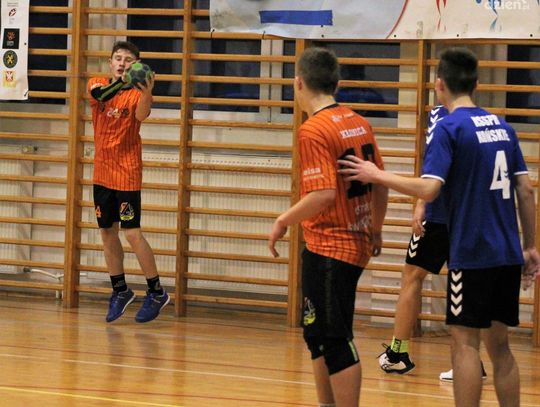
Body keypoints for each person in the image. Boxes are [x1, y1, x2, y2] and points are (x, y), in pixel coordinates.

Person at [338, 47, 540, 407]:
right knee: (501, 349)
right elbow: (526, 190)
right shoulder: (503, 127)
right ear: (476, 84)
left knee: (465, 345)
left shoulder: (448, 127)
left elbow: (430, 189)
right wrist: (530, 246)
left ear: (439, 84)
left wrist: (376, 175)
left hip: (472, 253)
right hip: (507, 253)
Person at [268, 47, 388, 407]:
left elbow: (322, 194)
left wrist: (283, 220)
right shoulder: (357, 121)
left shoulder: (314, 130)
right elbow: (379, 182)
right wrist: (376, 227)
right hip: (351, 241)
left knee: (334, 338)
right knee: (316, 334)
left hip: (332, 247)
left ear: (298, 83)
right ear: (336, 83)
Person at [378, 106, 487, 382]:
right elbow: (436, 164)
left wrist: (422, 202)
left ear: (441, 85)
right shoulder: (484, 119)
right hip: (469, 214)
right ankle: (472, 360)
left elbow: (435, 168)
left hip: (440, 213)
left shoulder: (443, 118)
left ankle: (398, 353)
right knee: (464, 283)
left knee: (413, 276)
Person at [88, 41, 170, 323]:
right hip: (102, 173)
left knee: (132, 233)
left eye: (129, 60)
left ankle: (156, 291)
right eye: (118, 58)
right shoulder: (97, 84)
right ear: (110, 63)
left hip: (127, 173)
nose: (122, 63)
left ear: (136, 66)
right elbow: (101, 96)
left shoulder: (136, 94)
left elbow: (142, 115)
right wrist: (124, 82)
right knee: (107, 232)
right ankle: (120, 290)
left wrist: (146, 92)